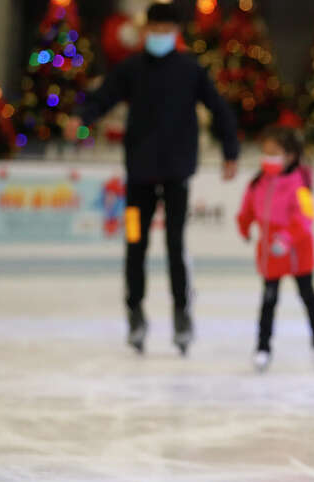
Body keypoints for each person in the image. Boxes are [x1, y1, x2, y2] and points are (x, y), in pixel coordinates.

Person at [68, 3, 240, 355]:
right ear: (145, 31)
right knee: (135, 243)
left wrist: (230, 152)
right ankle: (135, 314)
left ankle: (181, 314)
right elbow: (103, 99)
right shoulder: (130, 68)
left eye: (166, 30)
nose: (159, 35)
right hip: (140, 175)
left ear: (176, 32)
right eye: (154, 29)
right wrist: (82, 118)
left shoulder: (190, 70)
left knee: (175, 244)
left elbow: (219, 109)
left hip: (176, 173)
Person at [237, 127, 314, 373]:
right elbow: (247, 210)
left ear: (290, 156)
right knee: (268, 301)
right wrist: (244, 225)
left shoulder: (300, 184)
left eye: (274, 153)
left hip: (298, 251)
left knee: (308, 297)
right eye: (265, 153)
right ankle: (263, 348)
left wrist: (287, 238)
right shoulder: (257, 183)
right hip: (270, 254)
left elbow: (306, 216)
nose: (268, 159)